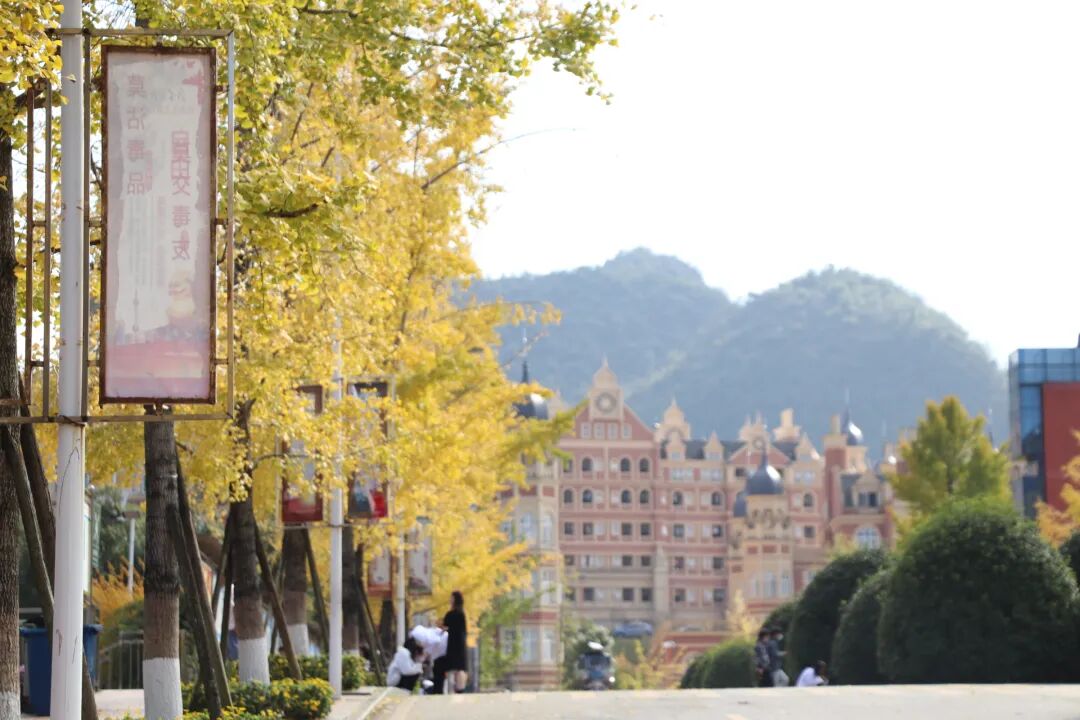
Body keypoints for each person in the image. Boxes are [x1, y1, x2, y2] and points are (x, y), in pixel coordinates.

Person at [441, 590, 468, 693]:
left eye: (451, 598)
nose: (450, 600)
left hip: (452, 643)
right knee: (460, 667)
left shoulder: (450, 614)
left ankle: (452, 688)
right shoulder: (462, 614)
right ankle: (460, 688)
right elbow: (464, 630)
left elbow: (445, 626)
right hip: (460, 643)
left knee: (452, 667)